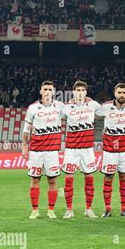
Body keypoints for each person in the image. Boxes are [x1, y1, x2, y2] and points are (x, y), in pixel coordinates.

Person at [22, 81, 64, 219]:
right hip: (36, 150)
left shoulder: (60, 106)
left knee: (52, 181)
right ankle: (35, 210)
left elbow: (75, 107)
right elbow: (26, 129)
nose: (47, 91)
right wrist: (24, 146)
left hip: (52, 150)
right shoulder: (33, 108)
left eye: (50, 89)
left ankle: (51, 210)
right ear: (40, 91)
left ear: (53, 92)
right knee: (35, 180)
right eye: (45, 89)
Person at [97, 83, 125, 217]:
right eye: (119, 93)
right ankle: (108, 209)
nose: (121, 95)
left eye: (124, 93)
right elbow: (93, 112)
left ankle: (124, 209)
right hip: (109, 151)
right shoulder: (105, 107)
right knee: (108, 178)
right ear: (115, 93)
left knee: (123, 177)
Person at [61, 80, 100, 219]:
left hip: (88, 148)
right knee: (69, 178)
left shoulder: (93, 105)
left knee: (89, 178)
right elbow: (53, 115)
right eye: (78, 90)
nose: (80, 93)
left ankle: (88, 209)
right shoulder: (66, 107)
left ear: (86, 92)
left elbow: (109, 109)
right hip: (71, 149)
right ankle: (69, 209)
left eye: (83, 90)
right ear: (73, 92)